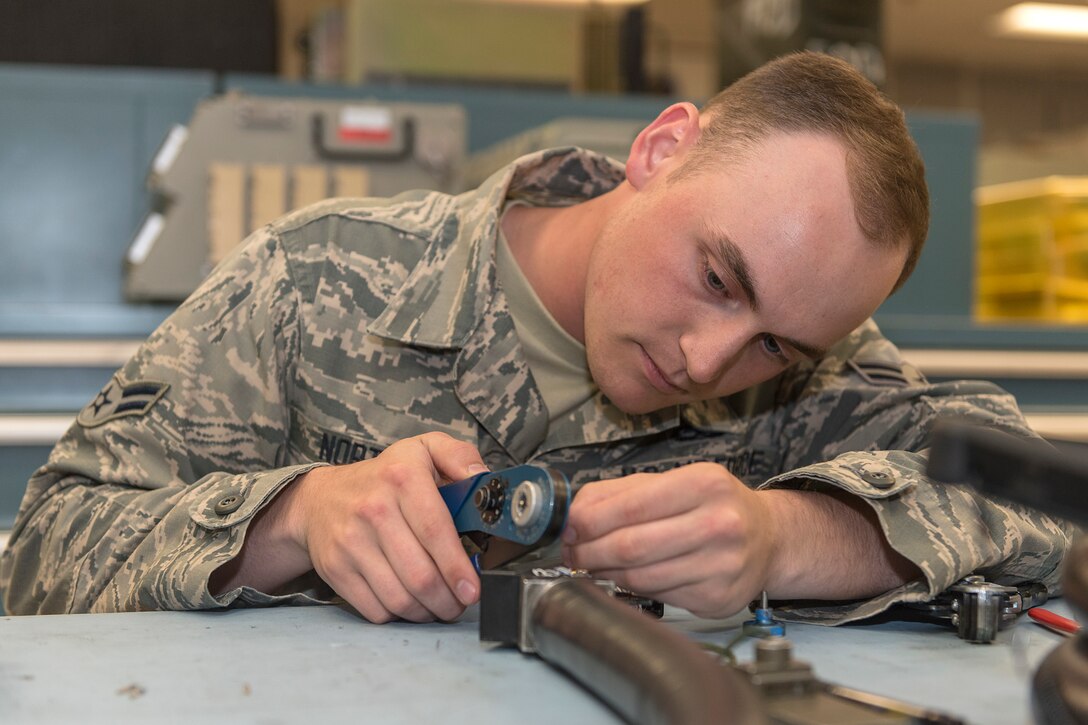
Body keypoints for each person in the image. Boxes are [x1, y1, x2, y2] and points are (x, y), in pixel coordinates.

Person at [0, 52, 1073, 623]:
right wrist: (287, 517)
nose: (709, 360)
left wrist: (783, 536)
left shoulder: (802, 361)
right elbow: (42, 552)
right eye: (714, 276)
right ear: (660, 149)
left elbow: (1021, 496)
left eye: (772, 347)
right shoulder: (310, 280)